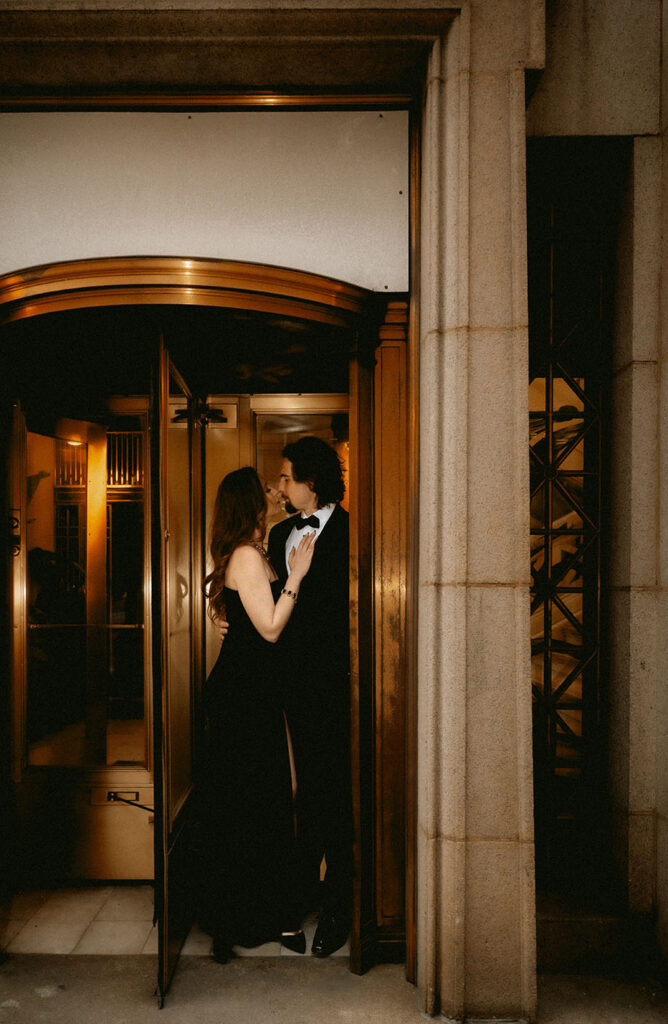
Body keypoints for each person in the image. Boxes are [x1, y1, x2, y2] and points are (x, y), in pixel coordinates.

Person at [198, 466, 317, 963]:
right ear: (250, 501)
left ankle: (261, 912)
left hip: (255, 692)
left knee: (265, 796)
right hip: (241, 698)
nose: (274, 493)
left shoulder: (256, 552)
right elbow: (269, 629)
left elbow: (251, 626)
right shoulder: (248, 556)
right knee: (253, 799)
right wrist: (297, 578)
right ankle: (247, 918)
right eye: (266, 489)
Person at [268, 436, 352, 958]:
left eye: (285, 477)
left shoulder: (354, 532)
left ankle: (339, 902)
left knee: (334, 791)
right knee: (296, 793)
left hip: (340, 689)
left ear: (311, 481)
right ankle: (299, 891)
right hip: (288, 689)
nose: (280, 486)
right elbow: (265, 603)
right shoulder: (278, 536)